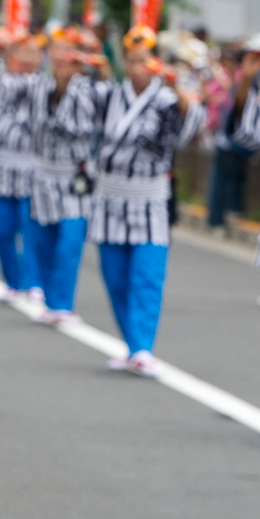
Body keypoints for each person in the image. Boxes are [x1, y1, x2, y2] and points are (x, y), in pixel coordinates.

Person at [89, 26, 206, 377]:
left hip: (150, 197)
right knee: (115, 277)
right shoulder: (108, 95)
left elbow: (191, 132)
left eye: (145, 60)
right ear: (125, 62)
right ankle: (131, 344)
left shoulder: (168, 98)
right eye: (133, 61)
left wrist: (177, 90)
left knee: (147, 275)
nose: (139, 67)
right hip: (111, 195)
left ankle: (142, 348)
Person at [29, 28, 104, 325]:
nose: (60, 56)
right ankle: (50, 299)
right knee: (43, 240)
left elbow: (83, 127)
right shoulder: (39, 85)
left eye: (67, 50)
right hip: (45, 172)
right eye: (56, 49)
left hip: (76, 174)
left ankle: (63, 303)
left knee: (69, 241)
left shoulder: (90, 89)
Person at [0, 30, 44, 301]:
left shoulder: (47, 86)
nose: (28, 58)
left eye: (34, 52)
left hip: (33, 165)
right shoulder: (1, 82)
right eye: (22, 52)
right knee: (1, 231)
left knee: (30, 230)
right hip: (1, 164)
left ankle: (33, 281)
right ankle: (13, 280)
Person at [206, 39, 260, 231]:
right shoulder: (246, 76)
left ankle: (232, 213)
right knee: (222, 181)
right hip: (231, 140)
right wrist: (247, 77)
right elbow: (238, 108)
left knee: (235, 179)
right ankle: (216, 220)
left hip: (247, 144)